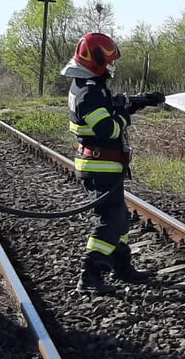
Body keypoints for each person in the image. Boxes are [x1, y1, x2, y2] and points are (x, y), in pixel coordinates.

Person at [64, 32, 164, 294]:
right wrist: (123, 116)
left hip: (104, 166)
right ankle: (90, 275)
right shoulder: (88, 93)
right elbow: (108, 129)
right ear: (96, 61)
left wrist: (138, 101)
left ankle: (121, 266)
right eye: (108, 62)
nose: (111, 67)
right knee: (110, 221)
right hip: (99, 168)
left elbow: (109, 107)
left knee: (119, 219)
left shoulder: (89, 86)